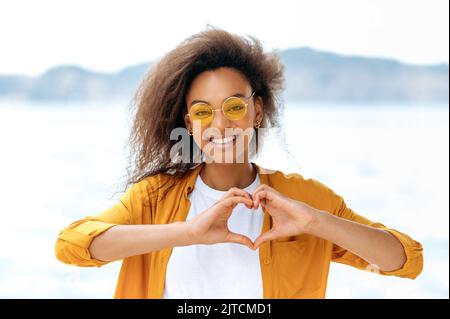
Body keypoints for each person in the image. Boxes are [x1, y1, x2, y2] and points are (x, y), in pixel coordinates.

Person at [55, 27, 423, 299]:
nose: (220, 125)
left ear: (257, 111)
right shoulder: (154, 199)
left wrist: (317, 221)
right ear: (189, 124)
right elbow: (70, 246)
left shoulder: (303, 198)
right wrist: (187, 233)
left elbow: (407, 260)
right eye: (202, 112)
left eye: (234, 107)